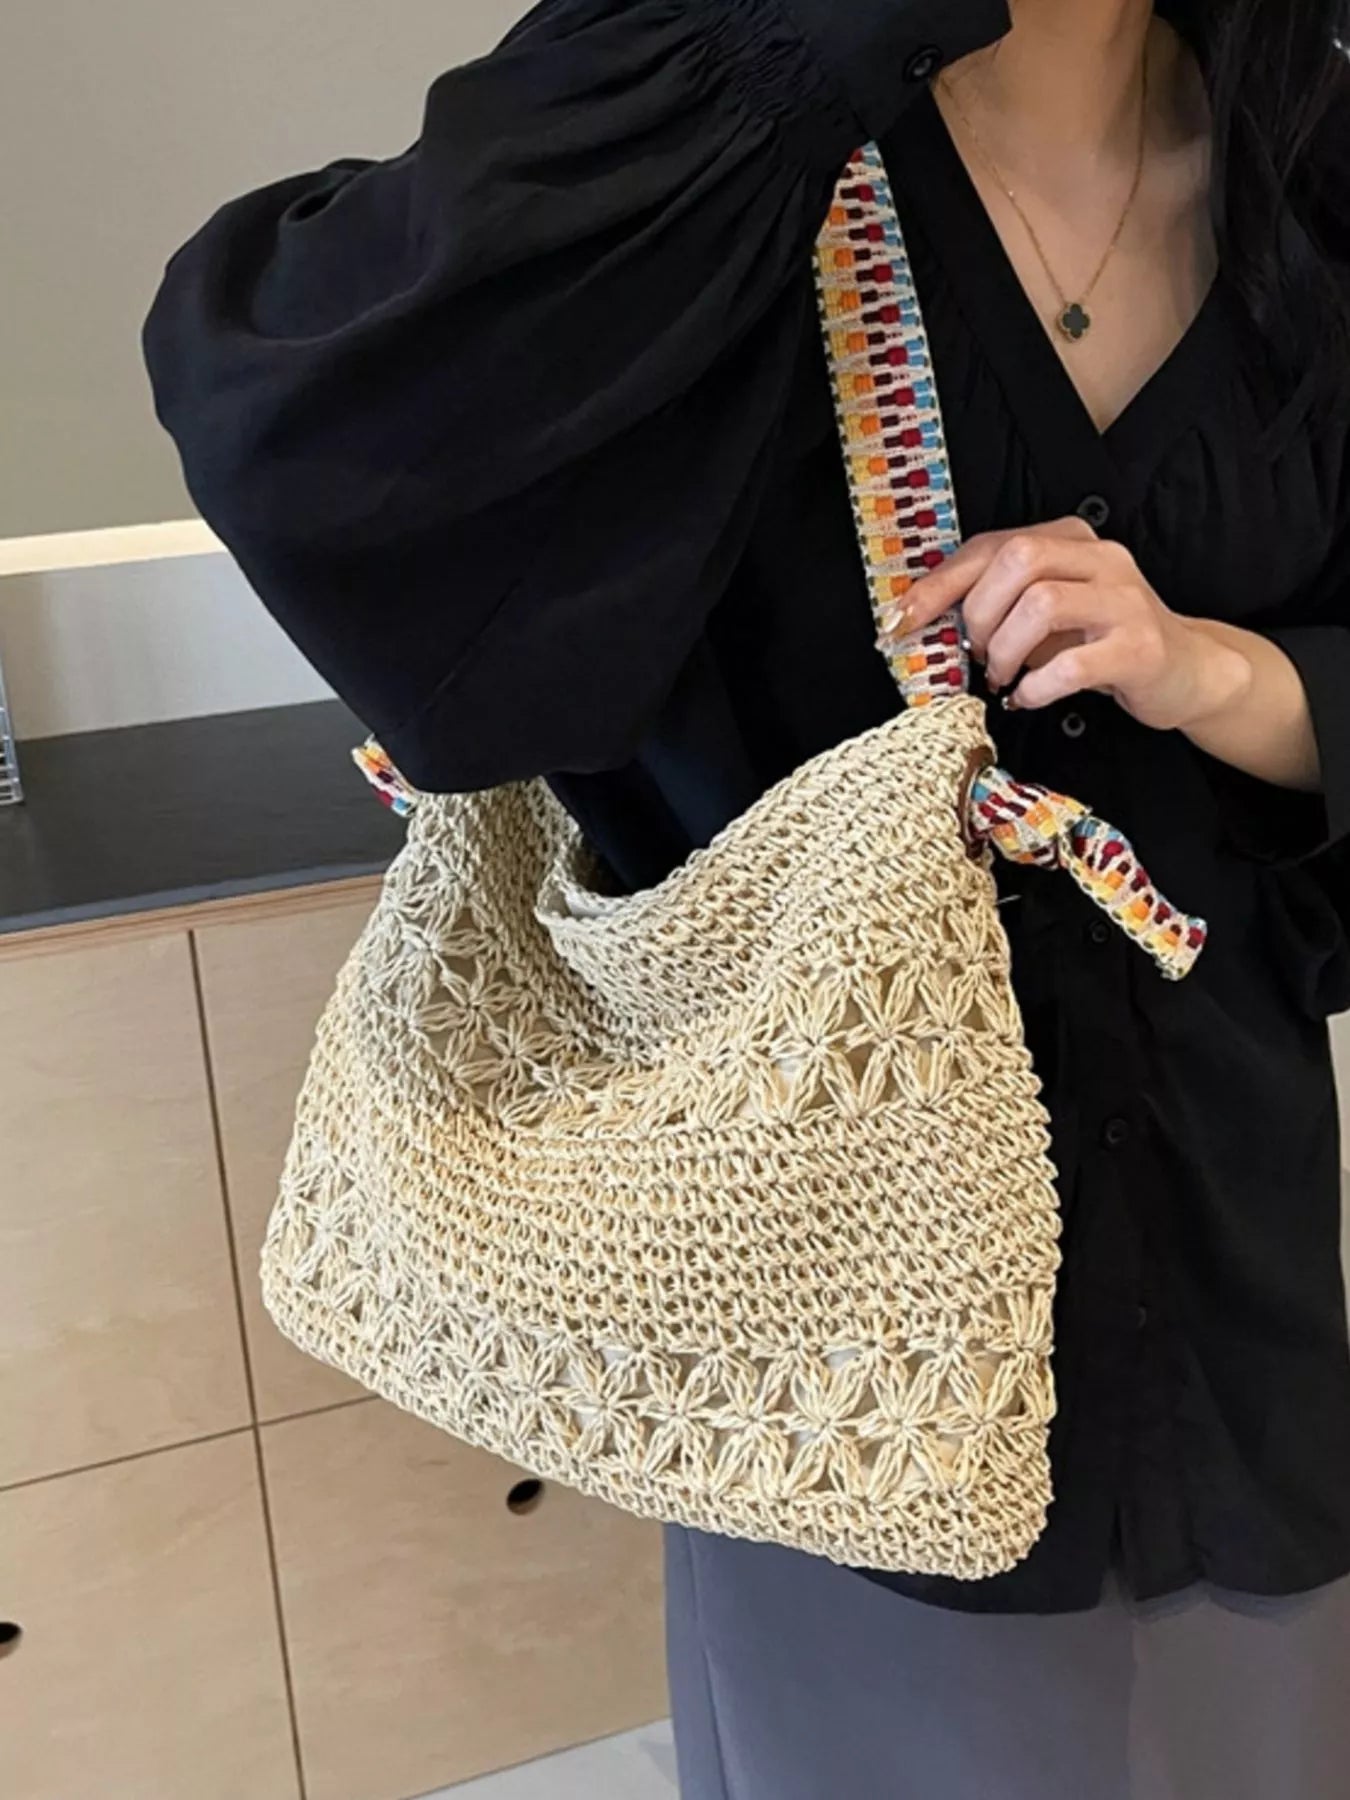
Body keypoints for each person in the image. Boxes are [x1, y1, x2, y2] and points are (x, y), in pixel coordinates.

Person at [142, 2, 1350, 1793]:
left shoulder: (1302, 156)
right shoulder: (722, 133)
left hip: (1231, 1265)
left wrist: (1225, 677)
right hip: (810, 1303)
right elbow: (311, 425)